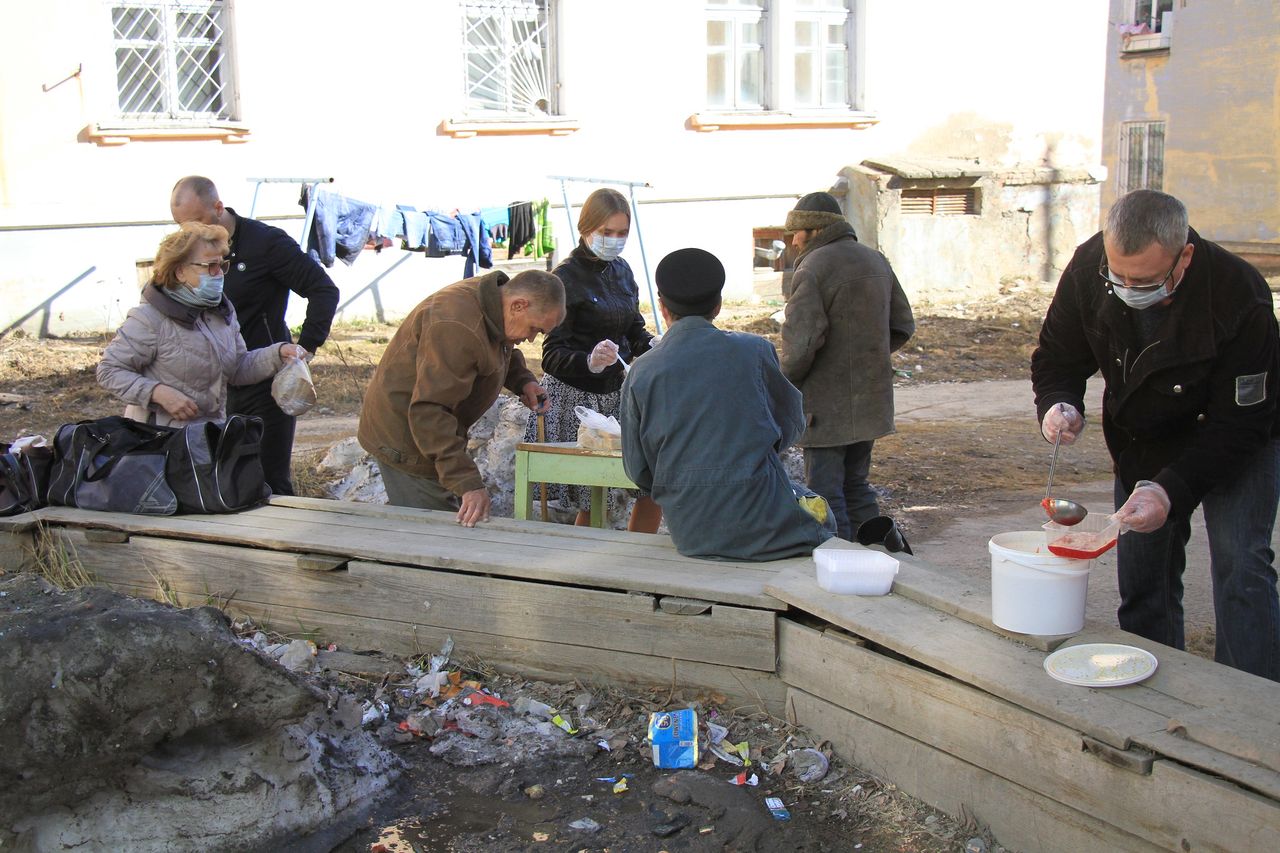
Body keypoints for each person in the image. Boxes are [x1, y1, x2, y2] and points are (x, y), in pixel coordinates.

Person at [1032, 188, 1280, 681]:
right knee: (1145, 574)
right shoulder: (1088, 267)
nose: (1127, 287)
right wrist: (1059, 403)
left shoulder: (1239, 295)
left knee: (1241, 566)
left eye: (1144, 280)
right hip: (1144, 435)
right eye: (1117, 275)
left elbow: (1241, 422)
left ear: (1184, 255)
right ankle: (1148, 683)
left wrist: (1173, 489)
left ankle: (1251, 700)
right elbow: (1058, 355)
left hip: (1235, 441)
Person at [620, 248, 834, 561]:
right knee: (824, 518)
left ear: (663, 307)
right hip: (765, 525)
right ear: (718, 305)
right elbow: (790, 427)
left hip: (691, 533)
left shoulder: (643, 370)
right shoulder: (755, 351)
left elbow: (639, 470)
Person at [170, 176, 340, 496]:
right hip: (213, 384)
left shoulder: (266, 243)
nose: (188, 233)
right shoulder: (187, 252)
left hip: (264, 382)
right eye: (181, 226)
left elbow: (323, 290)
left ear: (218, 208)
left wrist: (305, 348)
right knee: (222, 479)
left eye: (195, 222)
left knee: (267, 480)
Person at [358, 269, 565, 528]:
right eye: (535, 328)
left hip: (434, 431)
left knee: (450, 527)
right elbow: (429, 412)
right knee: (437, 538)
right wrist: (467, 483)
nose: (531, 338)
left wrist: (523, 380)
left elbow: (500, 344)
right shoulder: (457, 326)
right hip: (407, 436)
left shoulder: (495, 303)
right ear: (519, 305)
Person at [523, 187, 661, 531]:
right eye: (607, 233)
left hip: (618, 395)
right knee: (593, 497)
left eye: (622, 233)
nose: (614, 240)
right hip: (579, 400)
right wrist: (589, 360)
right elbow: (552, 355)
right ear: (587, 229)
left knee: (648, 485)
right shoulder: (565, 277)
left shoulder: (623, 270)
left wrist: (657, 347)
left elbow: (634, 329)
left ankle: (638, 561)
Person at [780, 191, 915, 541]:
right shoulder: (875, 260)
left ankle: (841, 564)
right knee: (857, 485)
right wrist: (868, 357)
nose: (793, 241)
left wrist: (781, 382)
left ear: (813, 231)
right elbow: (903, 325)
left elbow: (802, 344)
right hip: (871, 399)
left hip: (827, 405)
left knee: (825, 491)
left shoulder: (812, 267)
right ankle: (878, 555)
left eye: (796, 232)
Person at [97, 222, 305, 426]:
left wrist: (278, 353)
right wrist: (158, 393)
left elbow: (237, 367)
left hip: (207, 438)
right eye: (210, 267)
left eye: (222, 265)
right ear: (179, 271)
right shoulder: (150, 318)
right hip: (158, 445)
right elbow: (109, 370)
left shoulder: (221, 311)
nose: (219, 274)